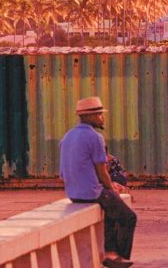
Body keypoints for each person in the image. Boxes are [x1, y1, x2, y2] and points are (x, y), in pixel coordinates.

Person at [59, 96, 137, 267]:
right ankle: (120, 257)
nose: (102, 118)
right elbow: (102, 173)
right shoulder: (95, 138)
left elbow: (63, 173)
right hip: (91, 193)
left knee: (111, 211)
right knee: (129, 217)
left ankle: (110, 252)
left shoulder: (67, 137)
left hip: (73, 194)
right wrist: (112, 188)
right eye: (100, 114)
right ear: (89, 117)